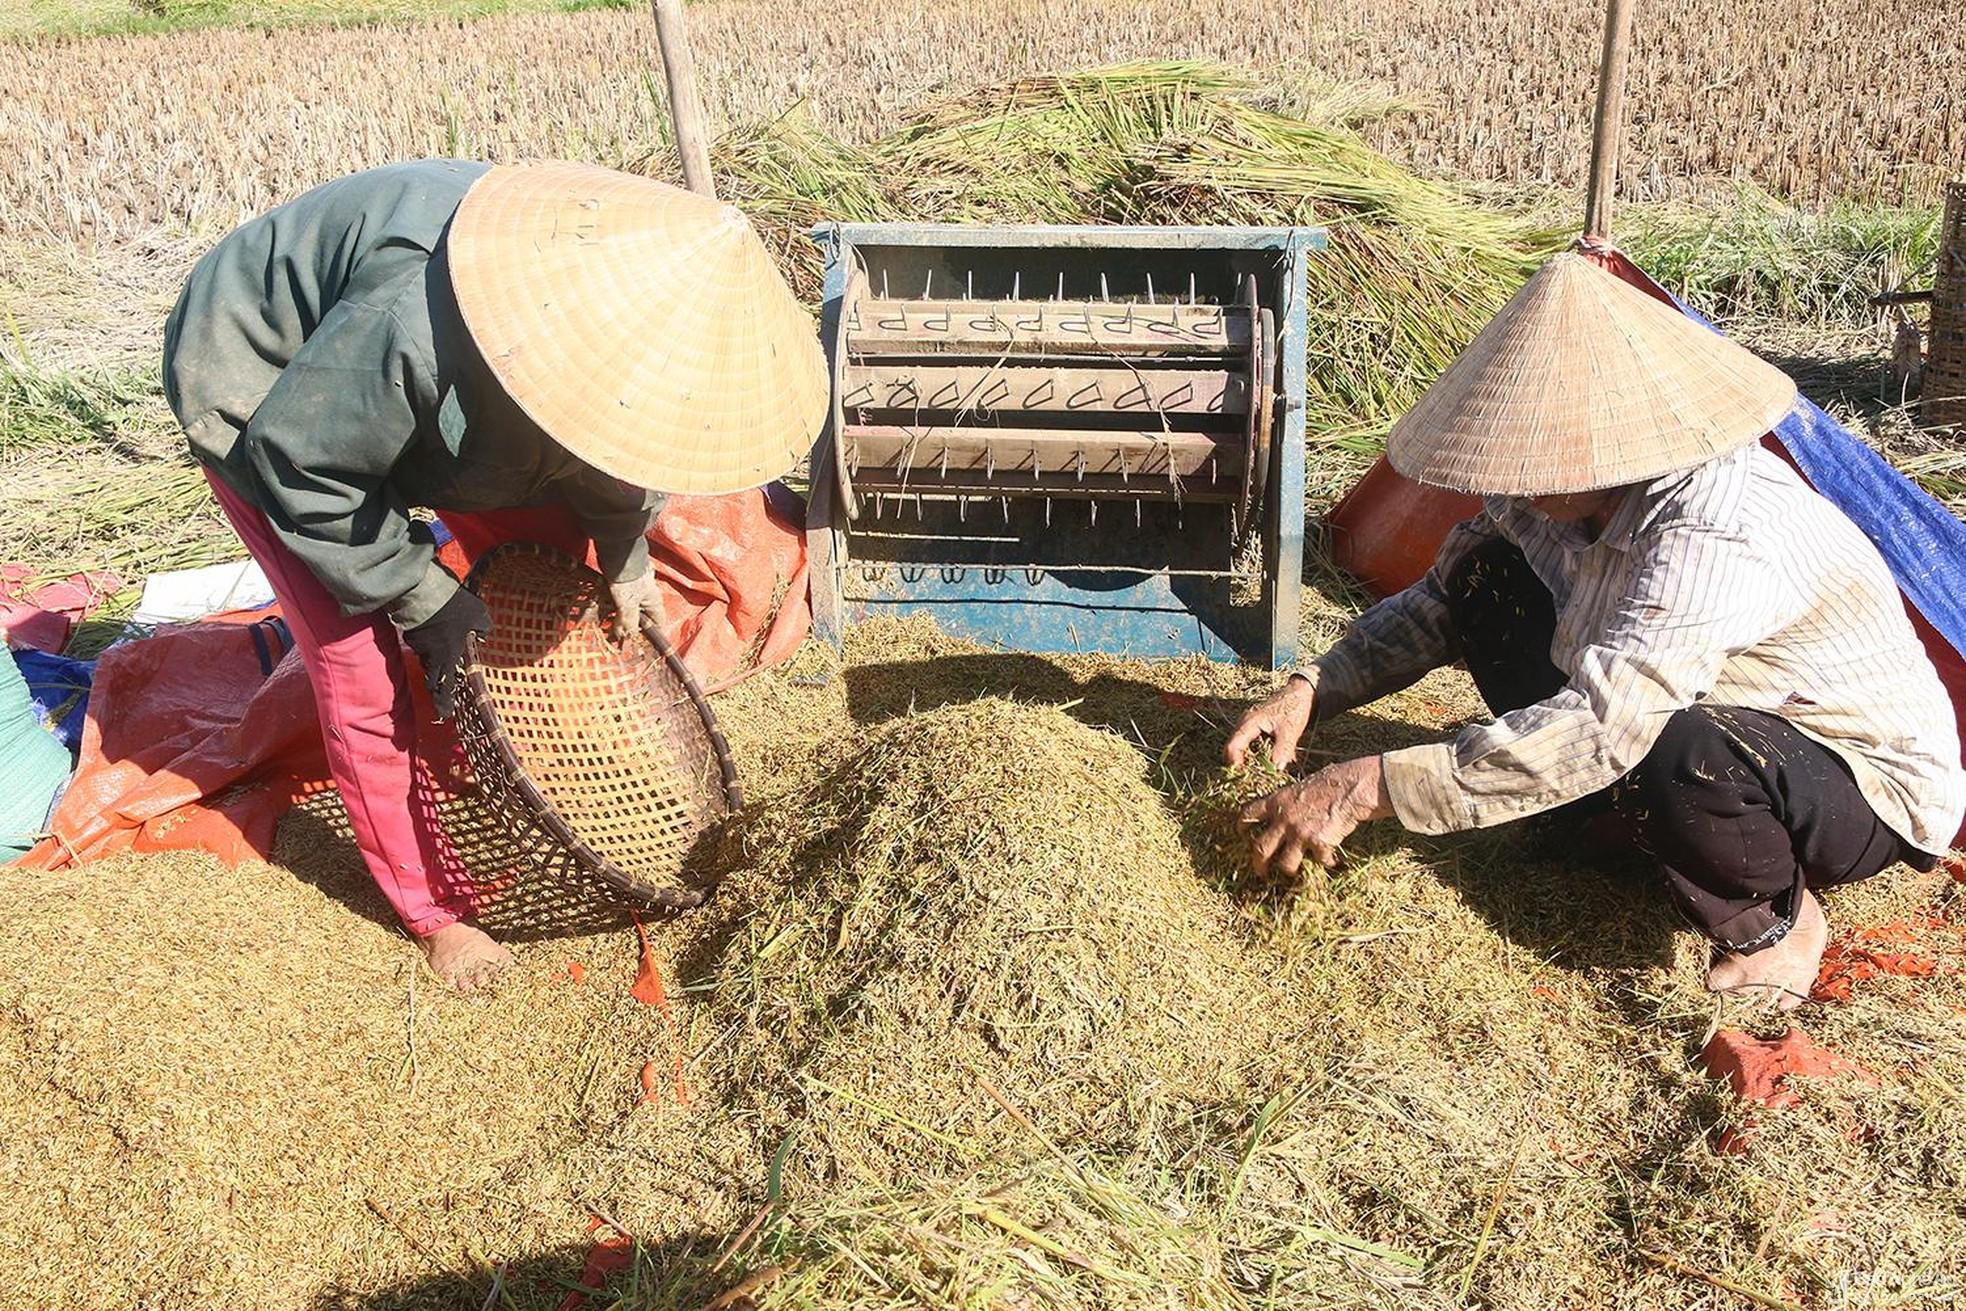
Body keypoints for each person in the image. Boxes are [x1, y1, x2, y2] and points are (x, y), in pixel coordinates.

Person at [1227, 253, 1965, 1011]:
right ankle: (1607, 821)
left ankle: (1772, 918)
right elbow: (1443, 600)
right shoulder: (1548, 495)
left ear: (1605, 439)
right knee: (1488, 576)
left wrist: (1364, 787)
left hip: (1848, 776)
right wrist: (1314, 688)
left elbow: (1608, 726)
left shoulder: (1716, 527)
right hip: (1672, 700)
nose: (1515, 479)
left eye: (1536, 458)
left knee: (1680, 749)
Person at [163, 159, 827, 989]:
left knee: (559, 583)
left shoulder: (603, 334)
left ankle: (529, 761)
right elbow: (305, 467)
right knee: (361, 661)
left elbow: (614, 442)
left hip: (426, 402)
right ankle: (431, 908)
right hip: (269, 395)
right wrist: (422, 593)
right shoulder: (413, 322)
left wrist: (623, 560)